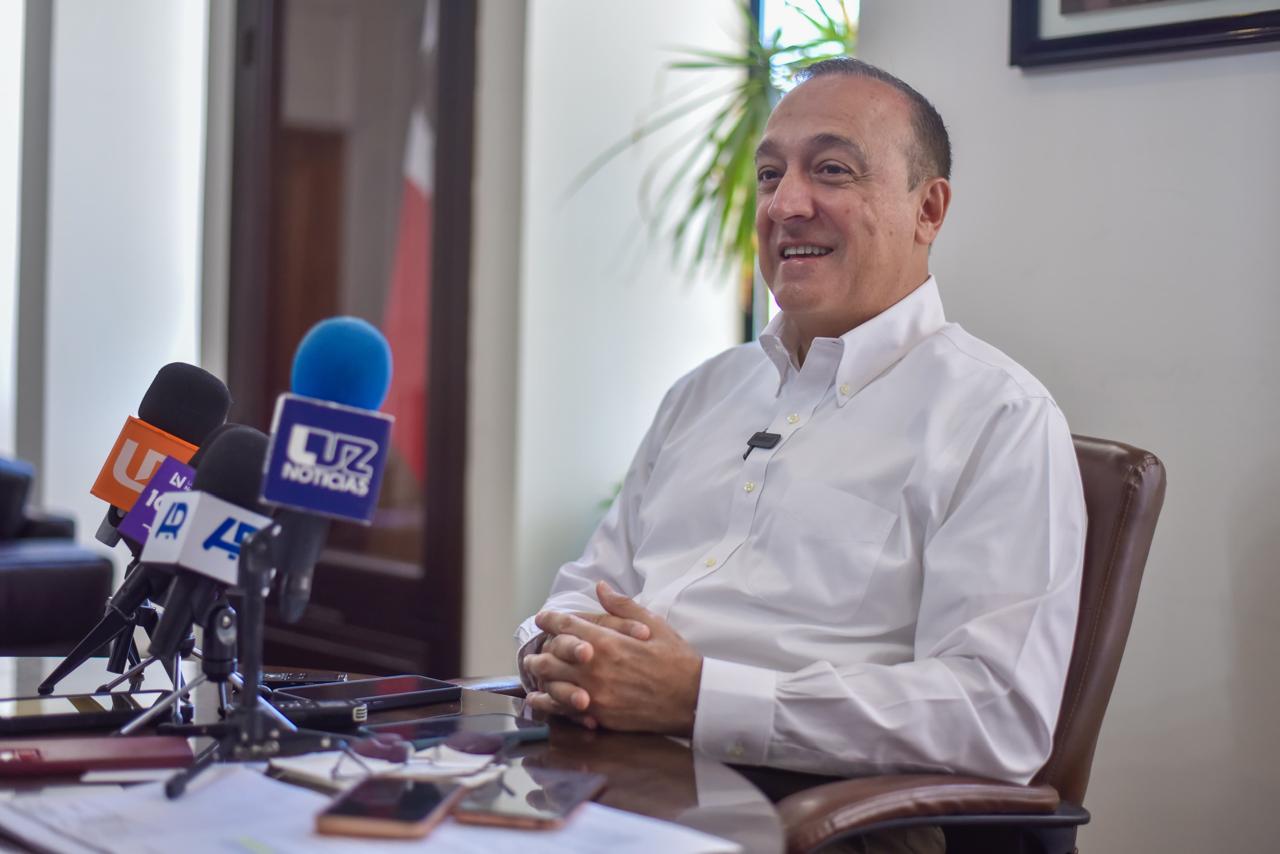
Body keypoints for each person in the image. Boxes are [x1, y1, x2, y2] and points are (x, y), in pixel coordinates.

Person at [515, 57, 1085, 851]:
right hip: (603, 771)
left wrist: (701, 697)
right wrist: (556, 651)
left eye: (832, 170)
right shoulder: (703, 393)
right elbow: (591, 585)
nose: (785, 204)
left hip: (826, 816)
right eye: (770, 174)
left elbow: (995, 716)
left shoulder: (1000, 417)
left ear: (928, 209)